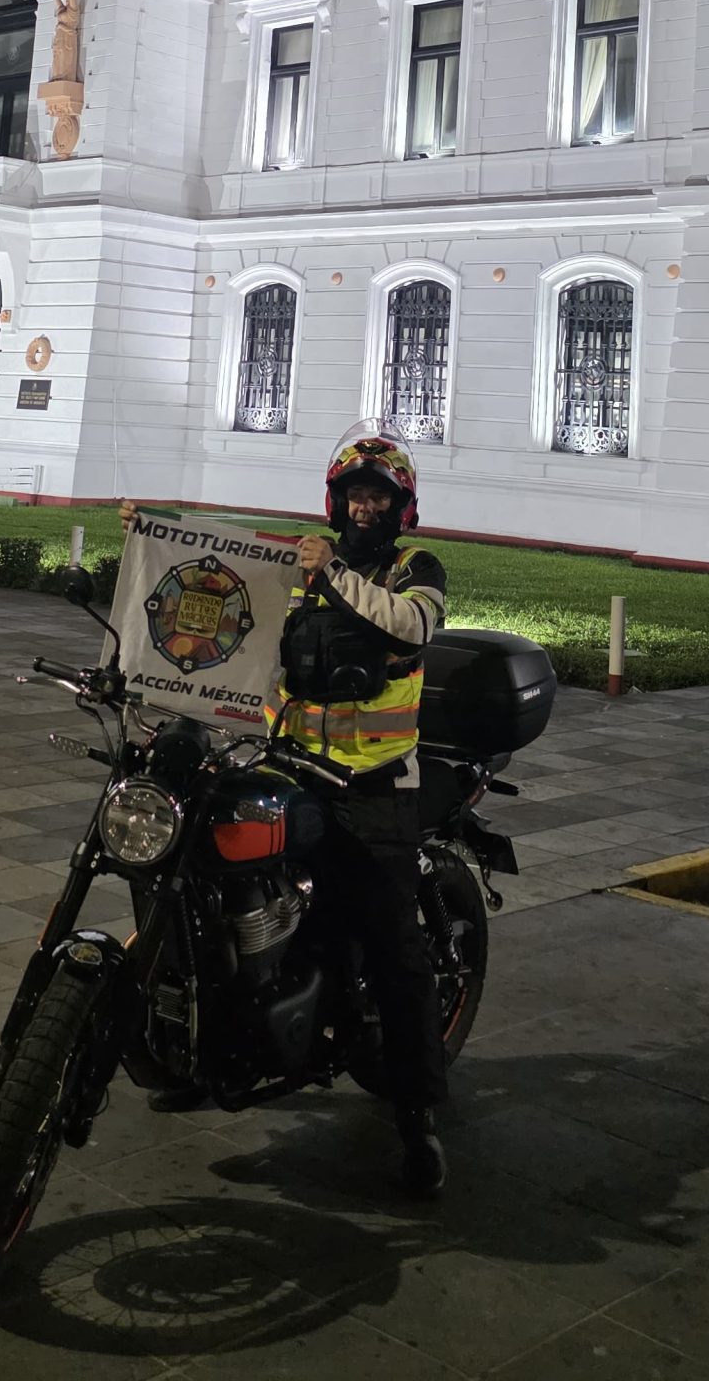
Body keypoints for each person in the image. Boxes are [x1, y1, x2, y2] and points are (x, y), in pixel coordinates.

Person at [275, 429, 450, 1196]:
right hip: (291, 769)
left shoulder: (416, 568)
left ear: (400, 505)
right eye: (355, 495)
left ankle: (416, 1115)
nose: (365, 507)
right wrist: (146, 543)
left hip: (375, 783)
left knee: (395, 951)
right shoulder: (304, 565)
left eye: (378, 495)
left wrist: (334, 573)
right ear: (336, 501)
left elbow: (412, 626)